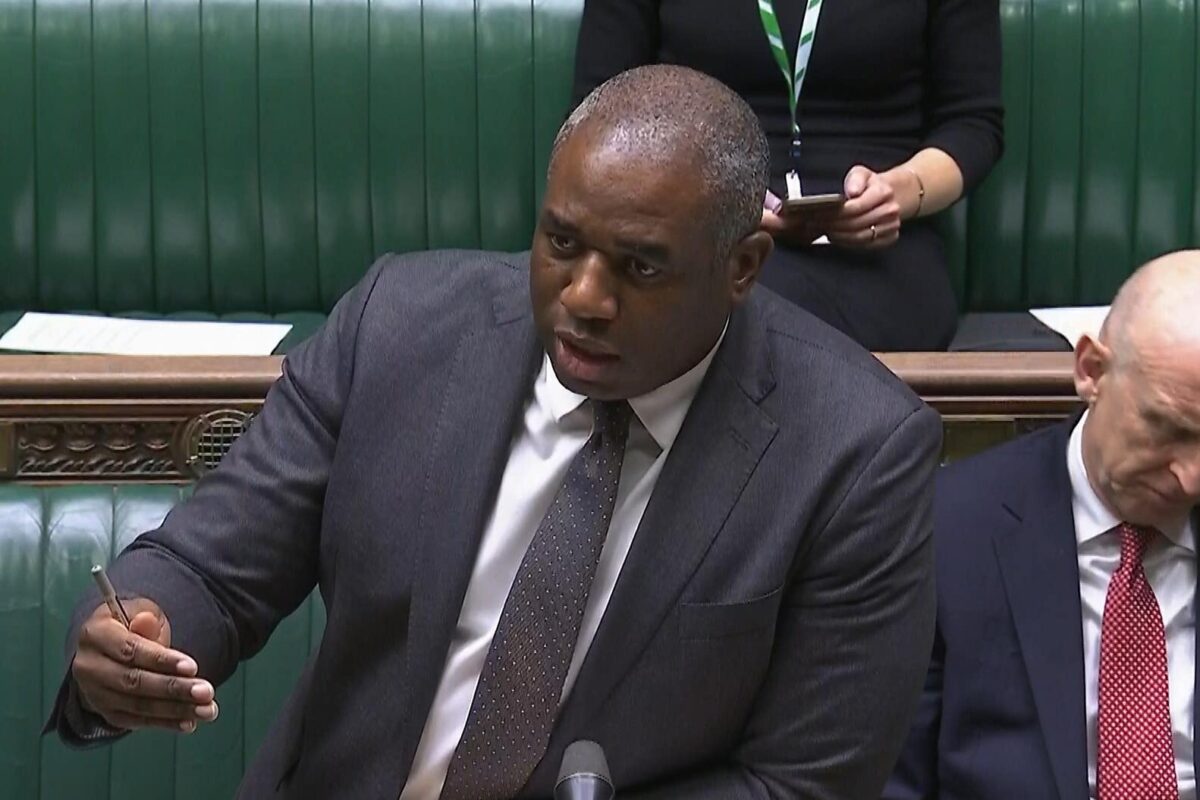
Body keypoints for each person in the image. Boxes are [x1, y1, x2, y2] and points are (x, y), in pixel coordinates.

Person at [47, 65, 942, 799]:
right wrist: (137, 639)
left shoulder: (854, 451)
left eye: (639, 266)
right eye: (561, 243)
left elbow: (802, 785)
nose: (585, 298)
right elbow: (210, 568)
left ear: (743, 266)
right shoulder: (399, 326)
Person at [885, 251, 1200, 799]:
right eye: (1166, 428)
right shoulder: (948, 531)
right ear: (1091, 371)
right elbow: (892, 780)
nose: (1191, 478)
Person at [573, 0, 1004, 352]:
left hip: (881, 252)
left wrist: (901, 190)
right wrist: (715, 198)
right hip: (698, 237)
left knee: (770, 338)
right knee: (732, 318)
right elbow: (602, 115)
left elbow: (972, 123)